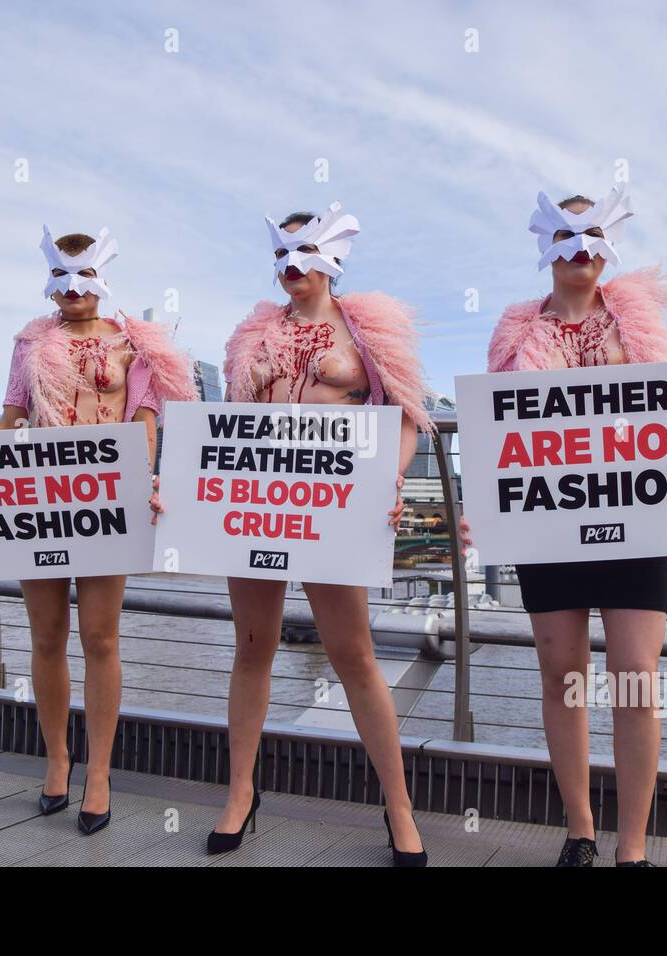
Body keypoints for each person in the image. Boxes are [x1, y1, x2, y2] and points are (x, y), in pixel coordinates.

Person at [459, 184, 667, 866]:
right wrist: (484, 504)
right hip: (549, 522)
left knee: (635, 674)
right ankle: (580, 831)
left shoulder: (636, 325)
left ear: (609, 247)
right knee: (561, 672)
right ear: (544, 246)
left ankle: (634, 845)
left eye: (590, 235)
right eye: (563, 235)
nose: (577, 249)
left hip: (634, 516)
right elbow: (502, 428)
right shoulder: (517, 330)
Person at [200, 203, 434, 866]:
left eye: (303, 255)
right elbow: (230, 425)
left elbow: (407, 417)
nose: (290, 268)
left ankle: (398, 807)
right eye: (280, 257)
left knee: (353, 653)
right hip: (259, 502)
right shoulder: (252, 335)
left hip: (333, 505)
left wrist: (387, 481)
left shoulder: (367, 329)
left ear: (331, 259)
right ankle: (241, 795)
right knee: (251, 647)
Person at [0, 225, 196, 834]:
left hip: (105, 498)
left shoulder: (136, 345)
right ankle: (57, 760)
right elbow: (11, 419)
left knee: (100, 637)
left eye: (82, 275)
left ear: (102, 278)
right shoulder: (29, 344)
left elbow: (144, 422)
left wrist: (145, 484)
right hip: (40, 497)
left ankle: (100, 772)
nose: (71, 288)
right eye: (60, 276)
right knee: (46, 635)